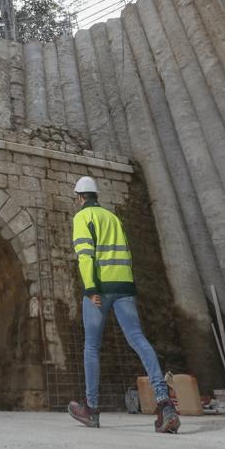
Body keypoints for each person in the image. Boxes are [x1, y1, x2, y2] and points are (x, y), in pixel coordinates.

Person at [68, 176, 180, 433]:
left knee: (92, 346)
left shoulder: (83, 218)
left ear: (80, 197)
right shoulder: (114, 218)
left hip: (100, 289)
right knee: (139, 340)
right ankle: (165, 405)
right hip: (125, 288)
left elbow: (85, 256)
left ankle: (91, 409)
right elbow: (127, 253)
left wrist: (91, 289)